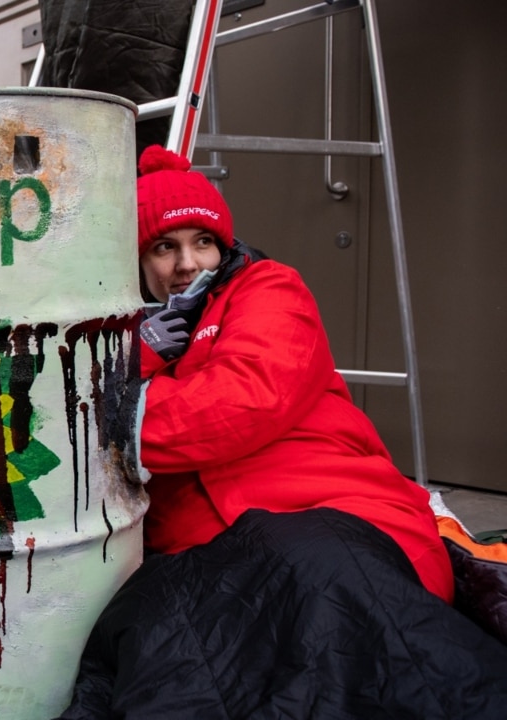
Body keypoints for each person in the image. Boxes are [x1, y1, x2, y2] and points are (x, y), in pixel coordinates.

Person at [60, 145, 507, 718]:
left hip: (335, 518)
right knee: (173, 656)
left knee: (351, 636)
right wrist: (135, 361)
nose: (186, 264)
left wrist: (116, 412)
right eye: (163, 247)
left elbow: (242, 399)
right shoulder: (117, 339)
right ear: (135, 263)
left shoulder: (267, 288)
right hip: (207, 560)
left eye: (203, 243)